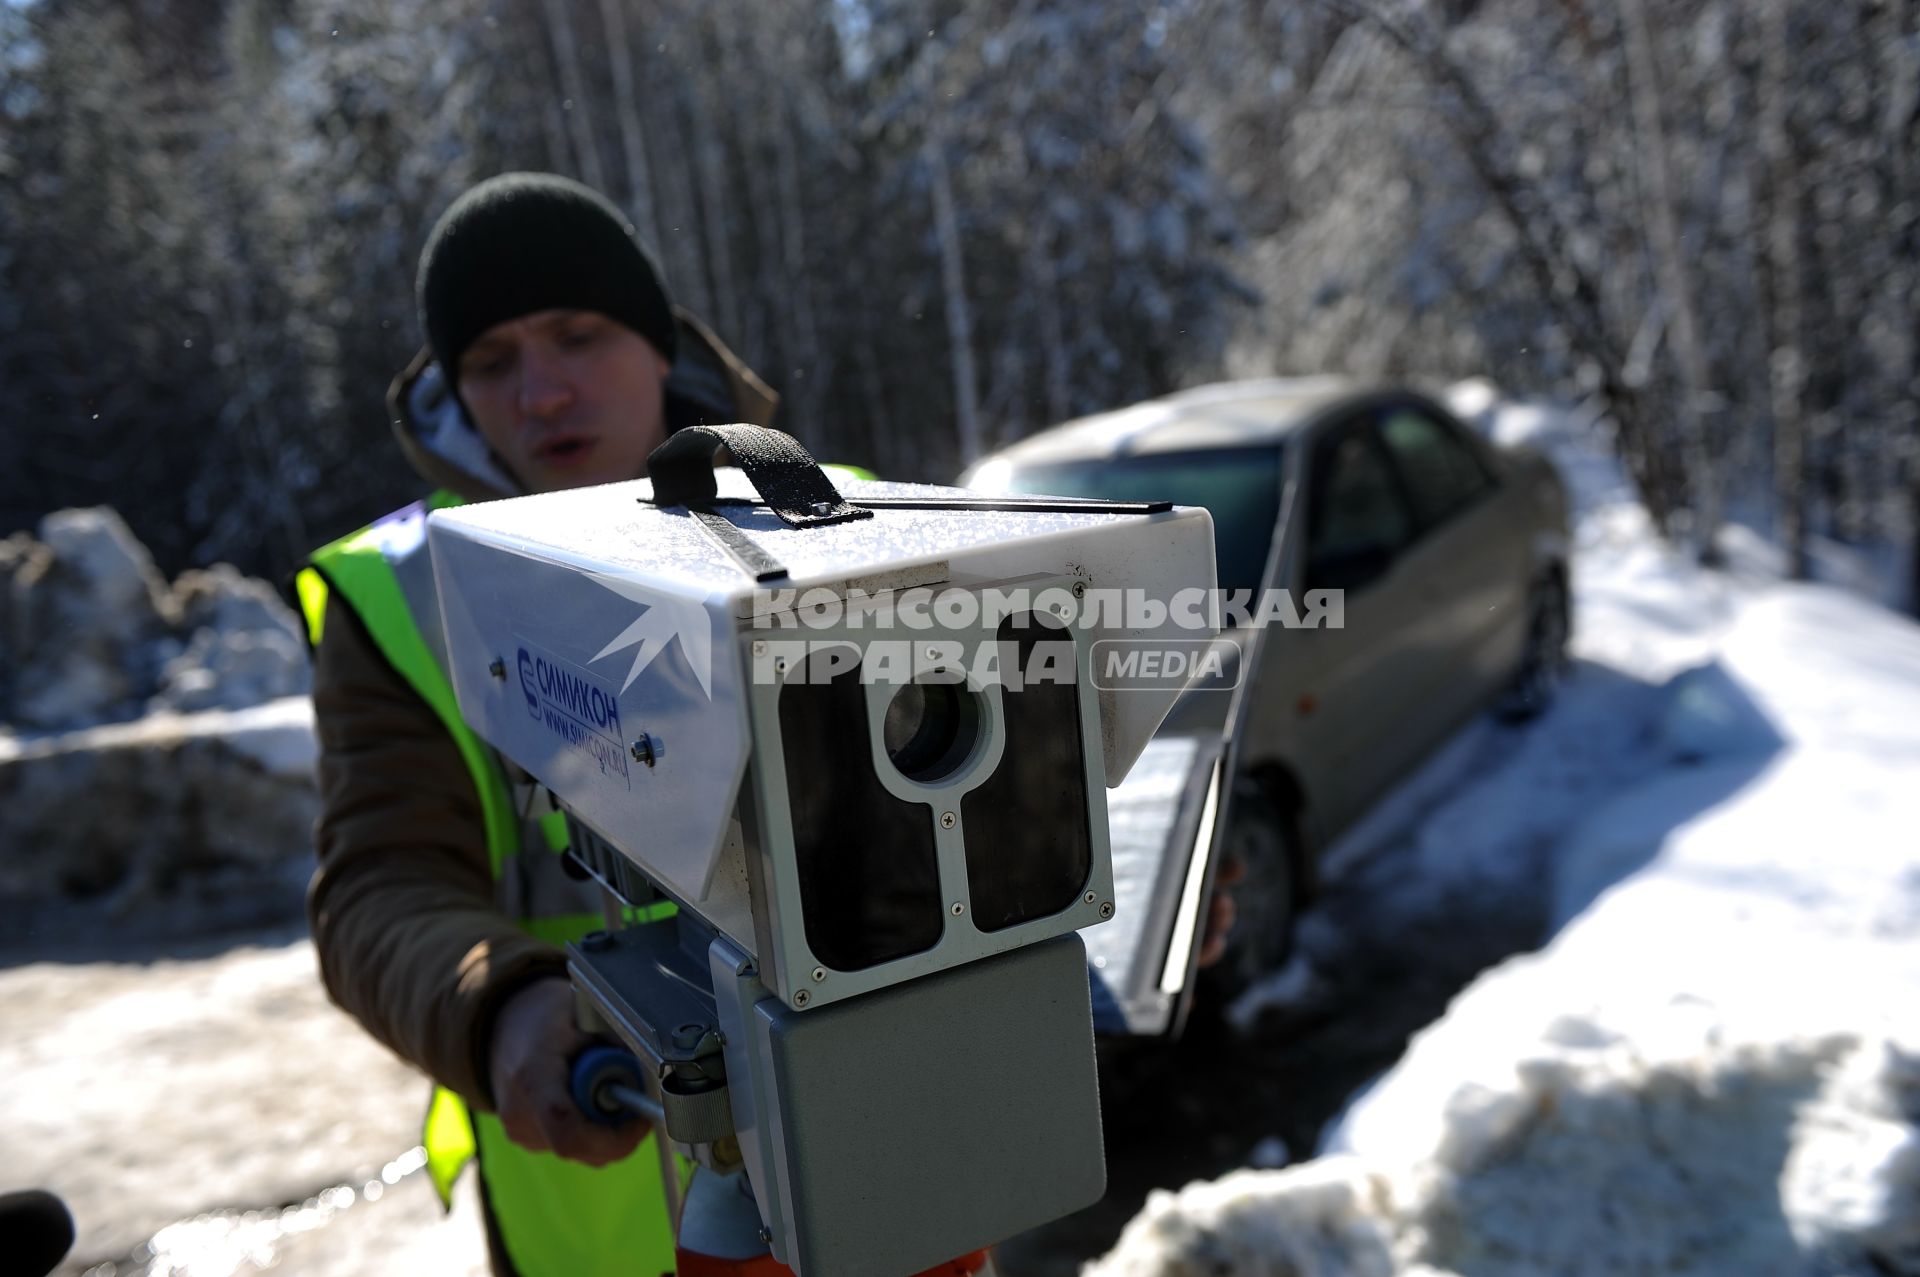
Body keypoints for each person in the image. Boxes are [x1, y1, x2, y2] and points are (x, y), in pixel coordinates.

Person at [297, 172, 779, 1277]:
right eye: (491, 360)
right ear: (456, 393)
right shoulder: (400, 599)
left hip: (877, 1192)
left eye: (577, 334)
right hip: (593, 1215)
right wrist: (500, 1005)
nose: (541, 391)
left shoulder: (847, 521)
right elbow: (378, 887)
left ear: (661, 345)